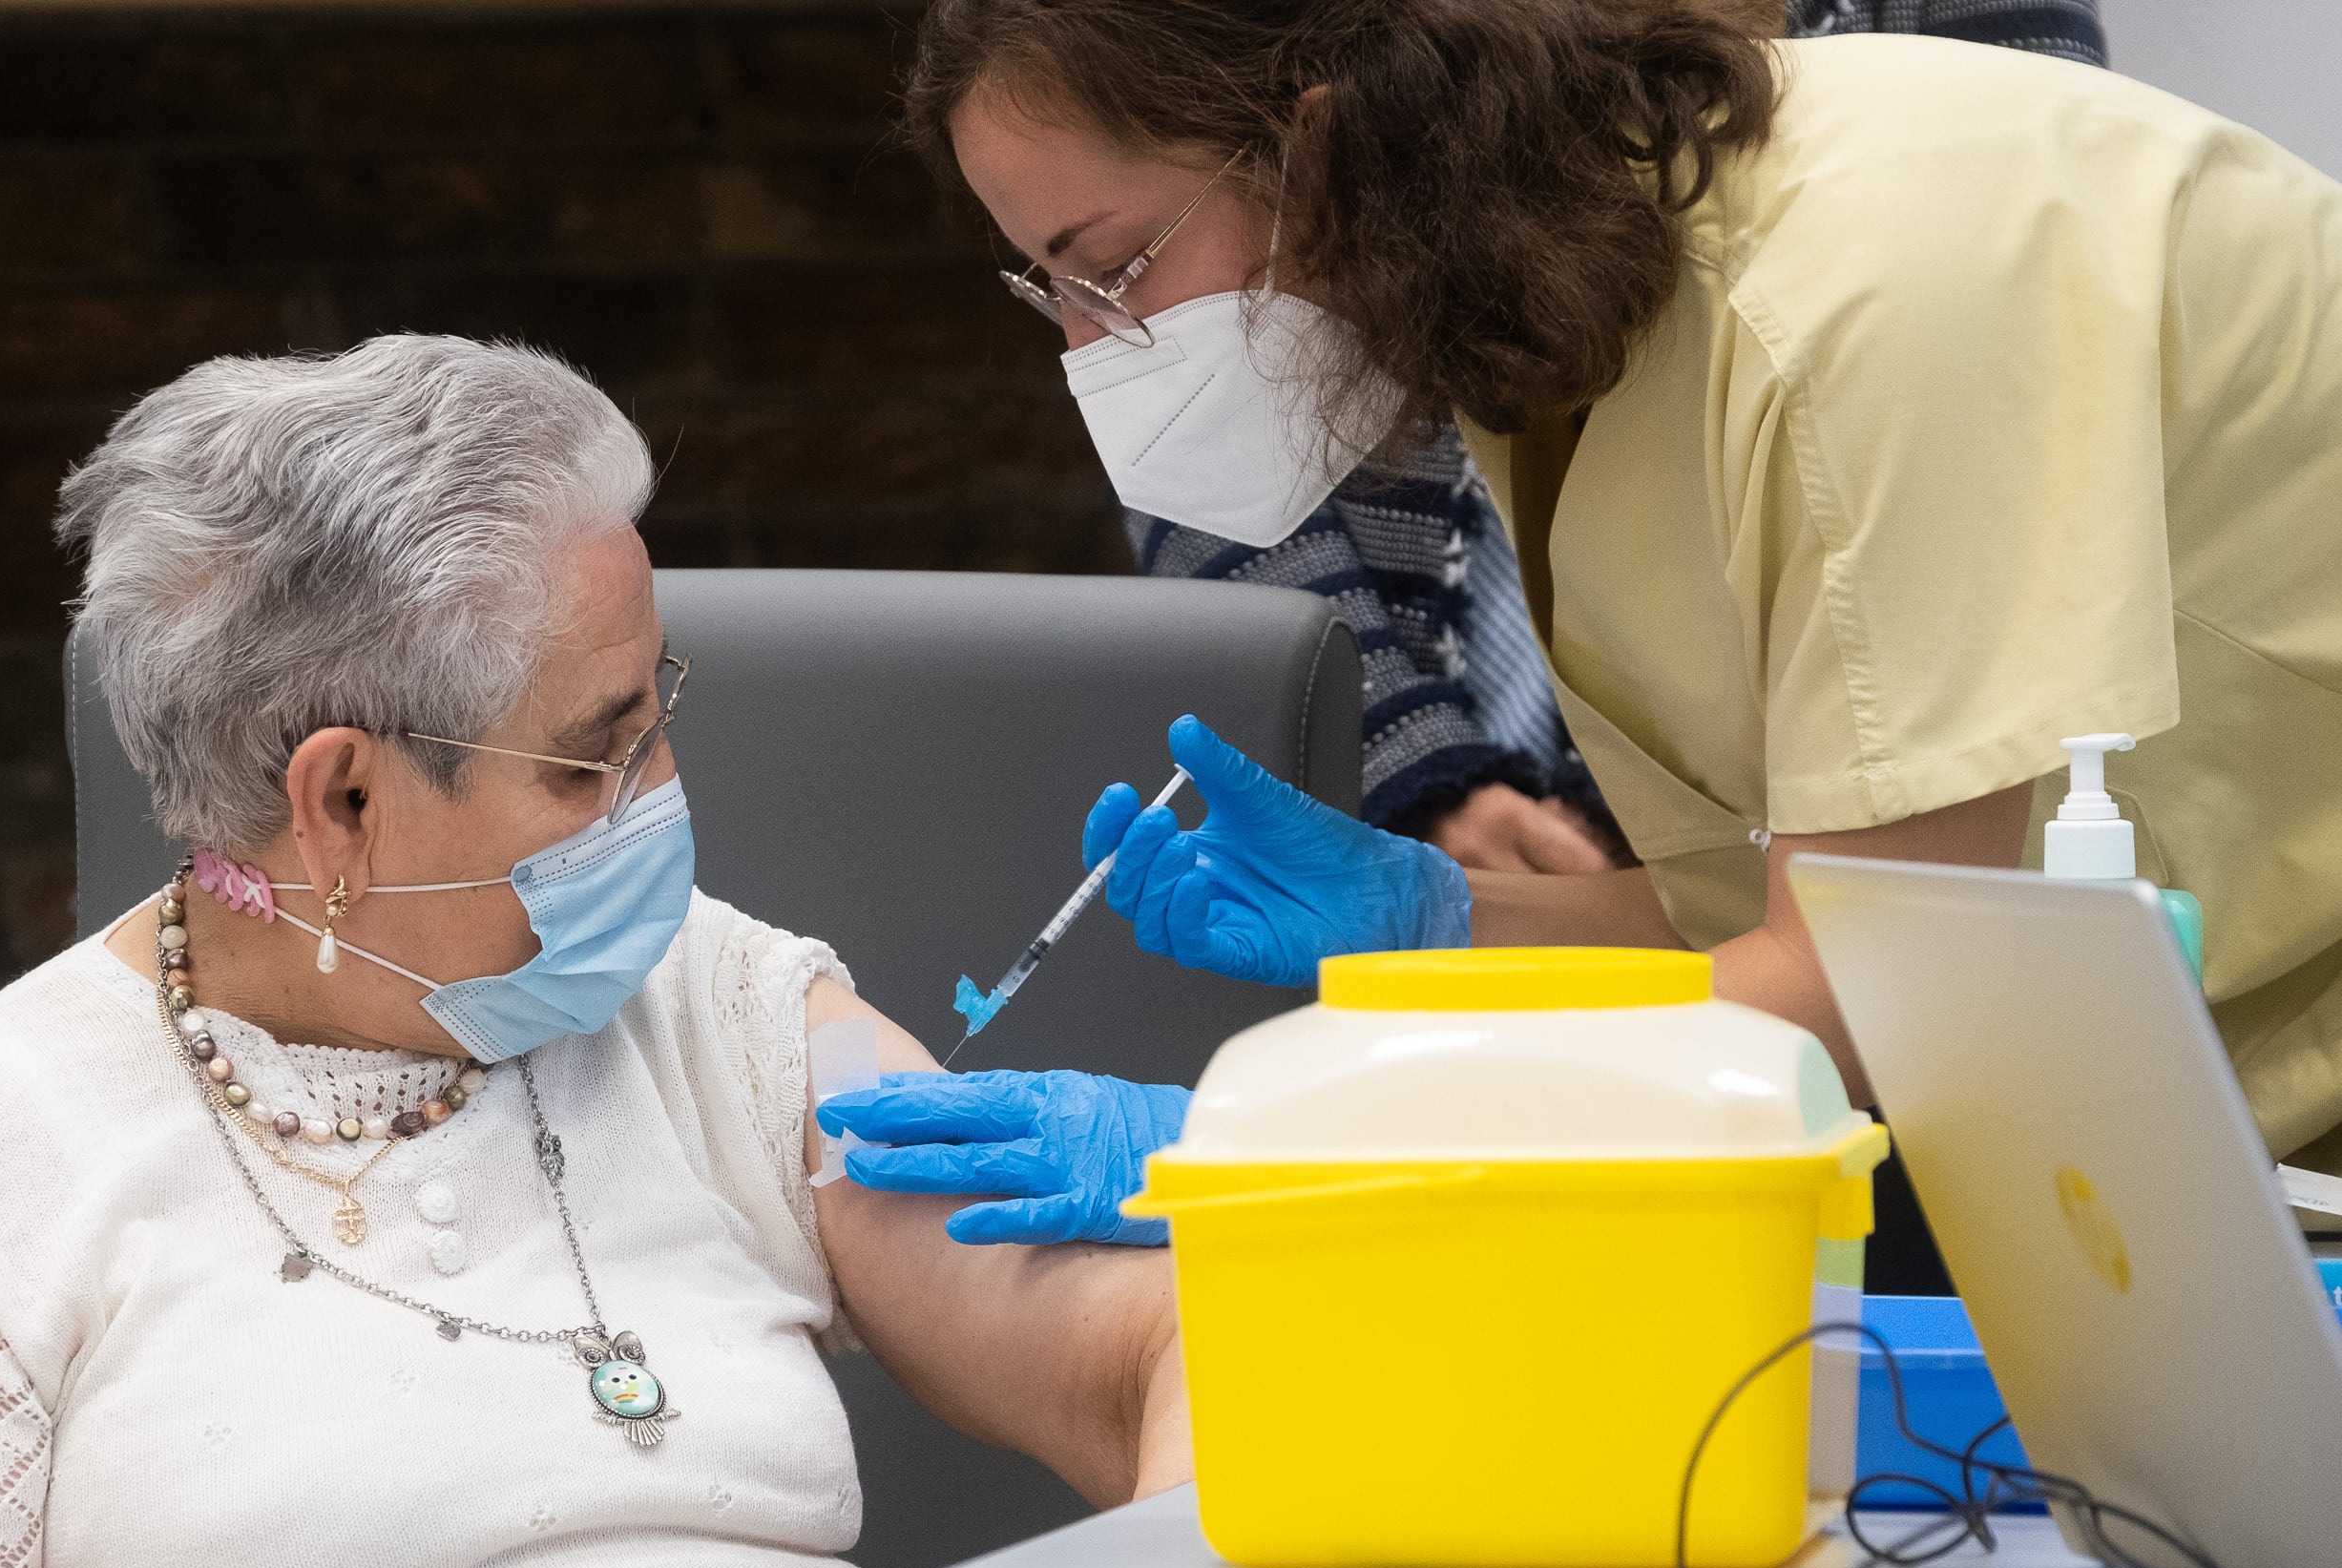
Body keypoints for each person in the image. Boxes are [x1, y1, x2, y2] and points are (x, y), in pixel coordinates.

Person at [821, 0, 2342, 1292]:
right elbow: (1765, 926)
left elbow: (1886, 998)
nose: (1089, 350)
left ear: (1322, 146)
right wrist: (1439, 912)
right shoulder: (1560, 337)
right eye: (1052, 290)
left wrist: (1270, 1134)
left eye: (1111, 267)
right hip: (2171, 1097)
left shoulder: (1863, 288)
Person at [0, 336, 1187, 1568]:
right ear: (344, 799)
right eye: (594, 753)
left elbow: (1149, 1347)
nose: (662, 793)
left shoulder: (717, 1001)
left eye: (658, 711)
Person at [1110, 7, 2109, 880]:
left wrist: (1649, 819)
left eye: (1115, 271)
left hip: (1840, 771)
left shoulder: (1880, 244)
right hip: (1510, 787)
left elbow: (2001, 343)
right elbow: (1198, 433)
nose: (1095, 351)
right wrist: (1405, 762)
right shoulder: (1460, 282)